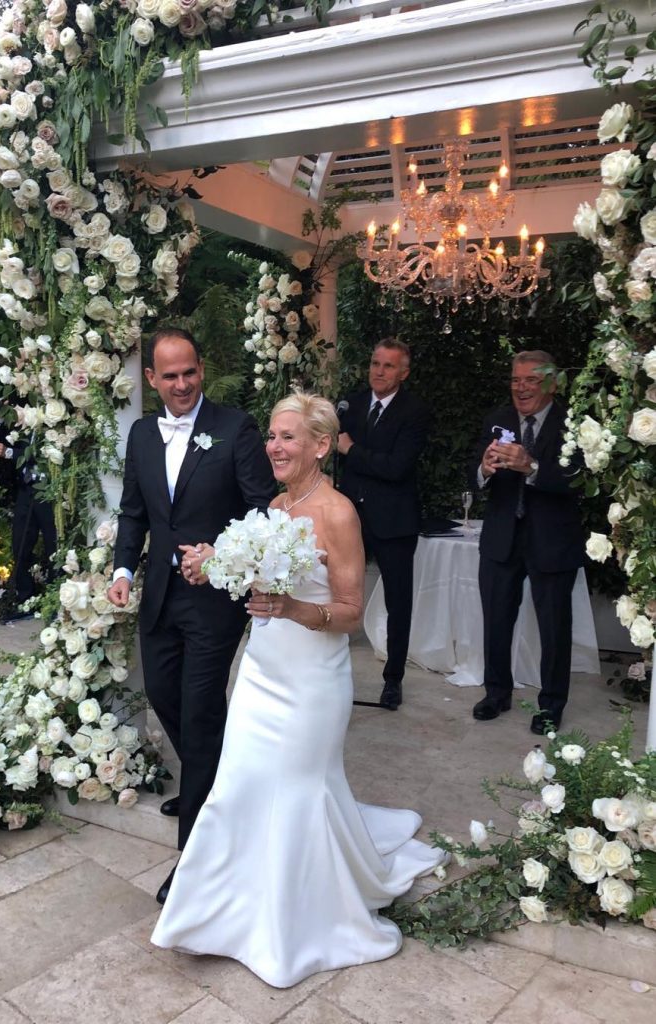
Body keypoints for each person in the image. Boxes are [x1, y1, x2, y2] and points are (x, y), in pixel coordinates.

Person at [151, 392, 444, 989]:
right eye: (272, 437)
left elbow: (349, 612)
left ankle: (292, 921)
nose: (275, 447)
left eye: (288, 437)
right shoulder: (277, 505)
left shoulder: (337, 513)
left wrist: (290, 608)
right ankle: (217, 907)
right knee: (240, 786)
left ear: (319, 445)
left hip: (313, 680)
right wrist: (214, 563)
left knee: (296, 792)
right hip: (261, 672)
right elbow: (254, 573)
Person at [107, 327, 275, 903]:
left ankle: (195, 859)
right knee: (163, 697)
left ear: (202, 370)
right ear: (151, 380)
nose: (182, 385)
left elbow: (262, 512)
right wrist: (123, 570)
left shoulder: (236, 429)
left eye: (190, 373)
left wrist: (221, 558)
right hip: (158, 595)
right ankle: (218, 782)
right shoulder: (142, 434)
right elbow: (134, 513)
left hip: (214, 601)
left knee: (201, 712)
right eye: (169, 376)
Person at [470, 350, 583, 734]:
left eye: (531, 381)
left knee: (554, 628)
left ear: (551, 383)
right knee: (496, 621)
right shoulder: (497, 420)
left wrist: (530, 466)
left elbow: (577, 480)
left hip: (552, 542)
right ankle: (495, 693)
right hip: (502, 539)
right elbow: (476, 476)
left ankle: (551, 705)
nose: (521, 388)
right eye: (516, 380)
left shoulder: (573, 423)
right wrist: (484, 469)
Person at [337, 339, 430, 710]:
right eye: (375, 363)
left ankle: (393, 680)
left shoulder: (415, 411)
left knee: (398, 602)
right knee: (341, 593)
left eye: (388, 366)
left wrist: (352, 451)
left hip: (394, 520)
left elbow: (396, 467)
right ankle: (333, 671)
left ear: (403, 373)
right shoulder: (353, 404)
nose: (378, 371)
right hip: (351, 518)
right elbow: (333, 449)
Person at [0, 434, 57, 617]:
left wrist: (10, 452)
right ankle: (25, 600)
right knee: (20, 542)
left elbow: (47, 452)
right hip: (26, 488)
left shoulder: (56, 416)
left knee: (54, 545)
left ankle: (56, 601)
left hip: (49, 489)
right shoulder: (22, 419)